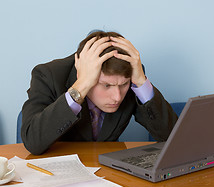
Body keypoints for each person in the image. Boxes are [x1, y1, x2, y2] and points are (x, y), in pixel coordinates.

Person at [21, 30, 178, 155]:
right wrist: (80, 87)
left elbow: (173, 138)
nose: (117, 97)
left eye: (123, 85)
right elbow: (33, 142)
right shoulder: (48, 75)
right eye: (106, 85)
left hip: (108, 173)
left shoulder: (133, 75)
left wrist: (141, 83)